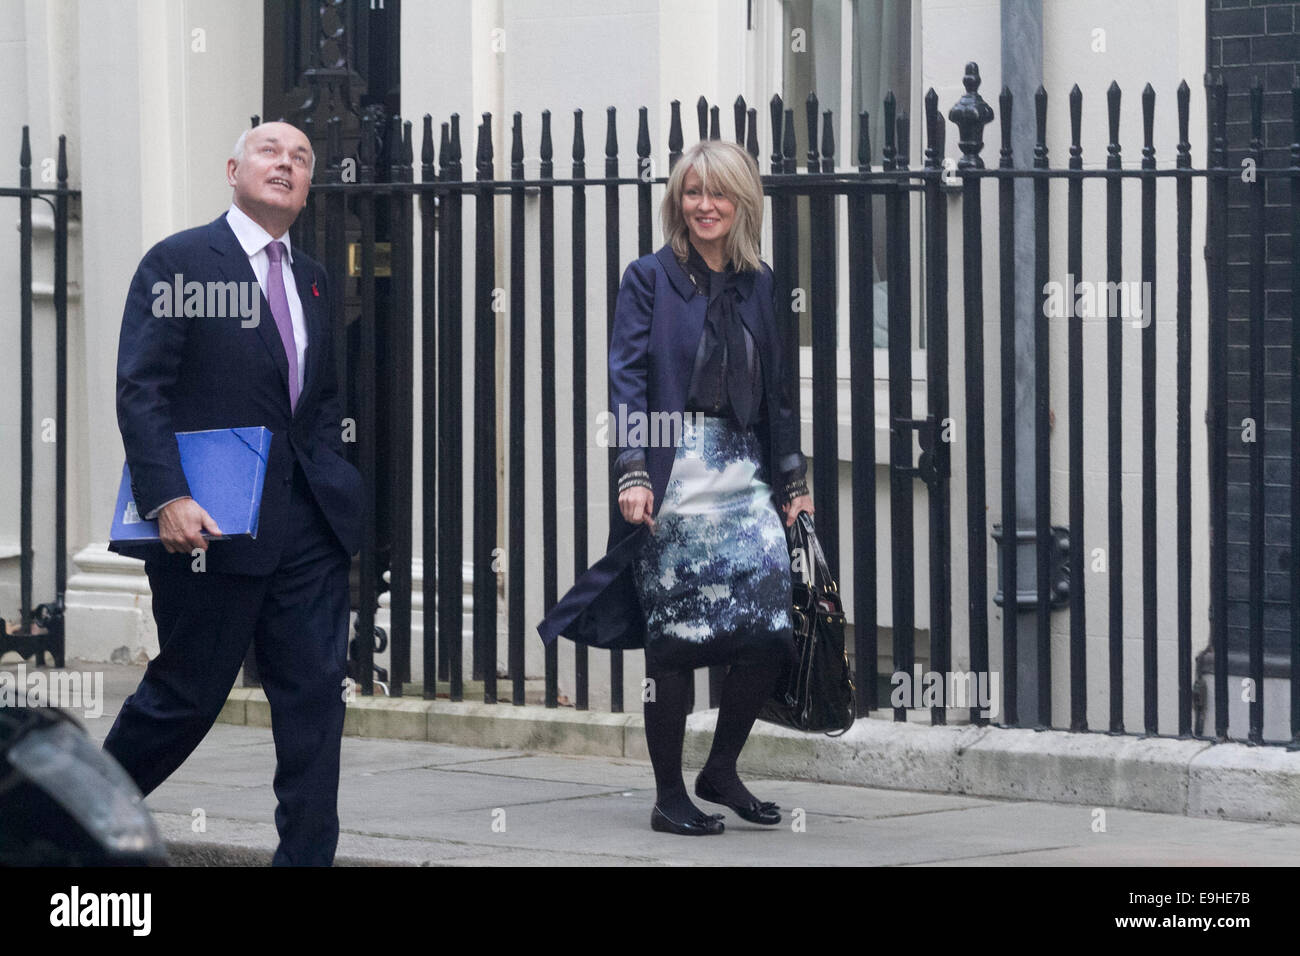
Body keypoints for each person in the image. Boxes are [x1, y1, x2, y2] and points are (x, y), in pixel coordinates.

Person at [103, 121, 362, 865]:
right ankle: (60, 817)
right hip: (210, 527)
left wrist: (336, 484)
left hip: (308, 529)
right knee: (183, 699)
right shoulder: (181, 261)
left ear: (309, 185)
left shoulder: (313, 277)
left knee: (314, 703)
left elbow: (321, 399)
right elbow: (141, 391)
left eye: (301, 159)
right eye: (270, 152)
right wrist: (167, 497)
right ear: (232, 169)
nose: (286, 164)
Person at [538, 139, 812, 835]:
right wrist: (633, 473)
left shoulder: (760, 281)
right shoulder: (650, 277)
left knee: (770, 634)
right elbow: (628, 380)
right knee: (678, 640)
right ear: (677, 200)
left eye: (718, 193)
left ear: (742, 201)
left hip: (743, 469)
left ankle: (720, 768)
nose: (704, 206)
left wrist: (793, 480)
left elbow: (779, 390)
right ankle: (668, 795)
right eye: (692, 193)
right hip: (674, 470)